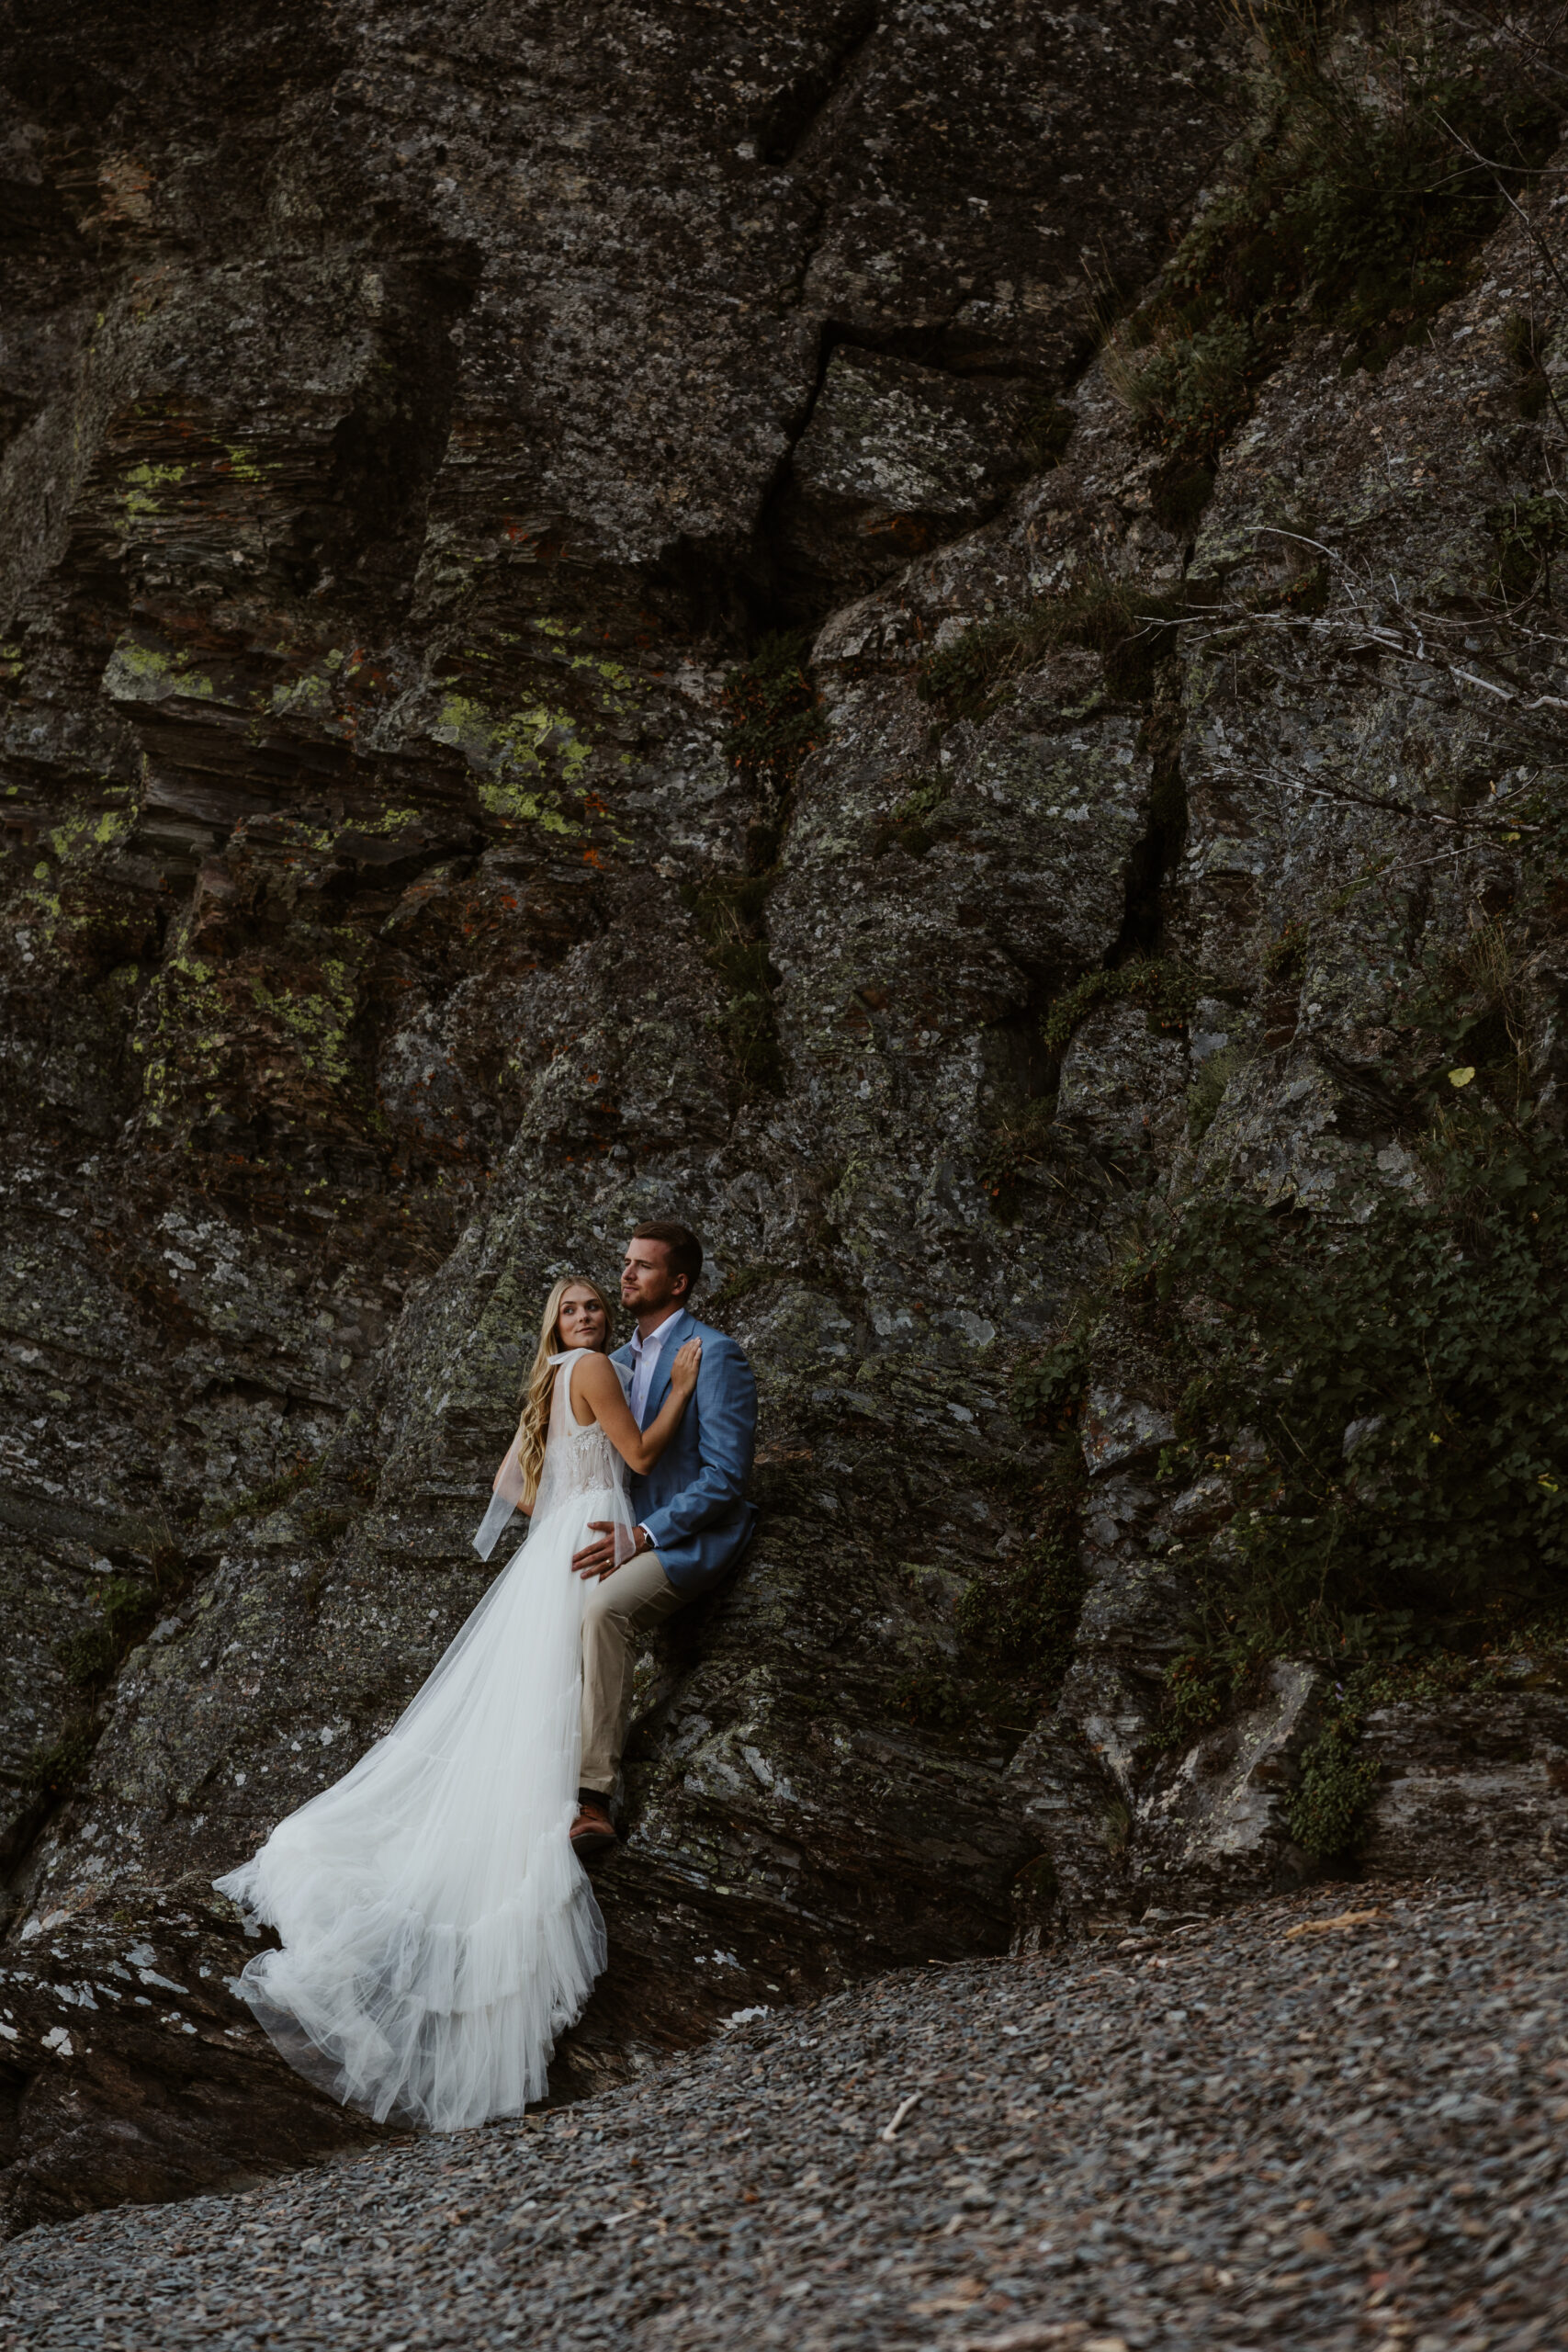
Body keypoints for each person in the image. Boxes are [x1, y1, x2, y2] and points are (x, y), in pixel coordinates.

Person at [212, 1274, 701, 2133]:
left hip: (558, 1537)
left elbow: (508, 1478)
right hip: (590, 1529)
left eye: (593, 1307)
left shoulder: (549, 1376)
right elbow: (641, 1457)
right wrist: (680, 1395)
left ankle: (546, 1798)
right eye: (574, 1310)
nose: (587, 1319)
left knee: (538, 1682)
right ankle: (566, 1801)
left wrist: (554, 1507)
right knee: (565, 1673)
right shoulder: (588, 1366)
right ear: (560, 1325)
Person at [566, 1220, 759, 1860]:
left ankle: (592, 1797)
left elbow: (726, 1477)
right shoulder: (611, 1364)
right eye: (624, 1262)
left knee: (602, 1611)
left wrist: (644, 1535)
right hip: (615, 1530)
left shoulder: (715, 1352)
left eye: (641, 1266)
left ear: (677, 1283)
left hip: (686, 1539)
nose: (625, 1275)